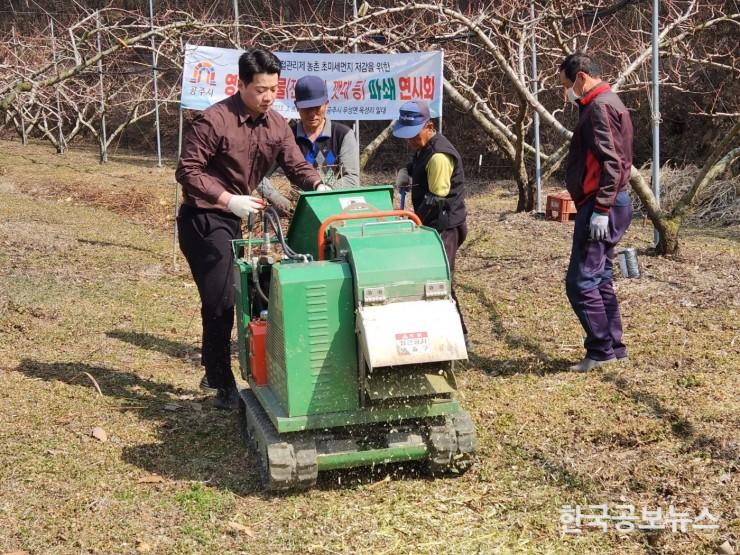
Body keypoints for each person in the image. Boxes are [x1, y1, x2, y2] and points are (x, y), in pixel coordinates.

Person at [175, 48, 326, 409]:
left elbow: (296, 165)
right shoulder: (215, 121)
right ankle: (221, 380)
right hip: (205, 218)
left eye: (274, 89)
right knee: (221, 301)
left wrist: (319, 187)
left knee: (246, 292)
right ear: (240, 84)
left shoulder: (276, 125)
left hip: (236, 220)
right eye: (260, 89)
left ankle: (228, 368)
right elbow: (187, 171)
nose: (268, 97)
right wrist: (229, 199)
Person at [559, 52, 634, 372]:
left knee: (581, 281)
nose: (566, 91)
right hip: (610, 202)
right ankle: (613, 346)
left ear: (581, 76)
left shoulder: (600, 108)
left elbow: (613, 162)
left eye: (566, 84)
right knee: (600, 277)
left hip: (602, 204)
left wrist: (600, 209)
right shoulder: (608, 102)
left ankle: (601, 349)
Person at [392, 100, 470, 349]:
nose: (410, 141)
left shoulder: (438, 155)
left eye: (413, 135)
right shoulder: (424, 147)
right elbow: (417, 162)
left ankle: (460, 336)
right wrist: (406, 172)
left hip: (445, 227)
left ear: (429, 126)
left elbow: (436, 197)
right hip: (431, 225)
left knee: (441, 280)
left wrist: (413, 222)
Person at [259, 75, 360, 211]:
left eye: (317, 107)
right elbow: (259, 176)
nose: (312, 114)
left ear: (326, 104)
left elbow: (352, 178)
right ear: (297, 107)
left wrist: (328, 191)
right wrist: (279, 200)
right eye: (306, 108)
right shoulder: (286, 137)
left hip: (336, 207)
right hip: (298, 209)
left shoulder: (343, 135)